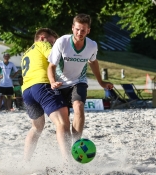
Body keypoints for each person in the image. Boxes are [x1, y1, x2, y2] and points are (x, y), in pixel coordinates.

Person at [48, 13, 114, 142]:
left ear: (88, 31)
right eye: (77, 29)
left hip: (79, 81)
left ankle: (77, 142)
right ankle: (65, 151)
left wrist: (101, 82)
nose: (80, 32)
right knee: (64, 121)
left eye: (83, 30)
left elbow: (93, 62)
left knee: (78, 106)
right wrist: (52, 82)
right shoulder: (62, 42)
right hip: (60, 84)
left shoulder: (92, 45)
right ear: (72, 28)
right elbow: (51, 66)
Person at [22, 28, 71, 162]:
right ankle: (69, 163)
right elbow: (56, 59)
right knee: (62, 122)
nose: (54, 45)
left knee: (36, 127)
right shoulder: (43, 44)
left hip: (27, 91)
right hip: (41, 85)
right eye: (52, 41)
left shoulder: (27, 52)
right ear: (43, 37)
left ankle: (25, 162)